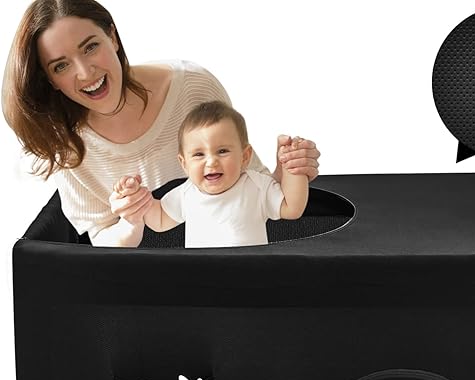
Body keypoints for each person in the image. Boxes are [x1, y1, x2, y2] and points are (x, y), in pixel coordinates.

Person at [2, 0, 320, 247]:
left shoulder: (192, 88)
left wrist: (292, 170)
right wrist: (131, 221)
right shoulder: (65, 144)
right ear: (51, 80)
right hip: (146, 276)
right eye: (61, 66)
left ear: (112, 36)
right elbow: (101, 238)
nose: (85, 73)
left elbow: (251, 188)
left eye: (91, 47)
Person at [114, 101, 308, 248]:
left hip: (249, 278)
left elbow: (292, 208)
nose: (211, 162)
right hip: (203, 280)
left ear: (245, 156)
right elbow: (159, 220)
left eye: (222, 151)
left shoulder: (255, 185)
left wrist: (292, 165)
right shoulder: (186, 193)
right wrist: (135, 196)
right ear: (184, 163)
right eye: (199, 154)